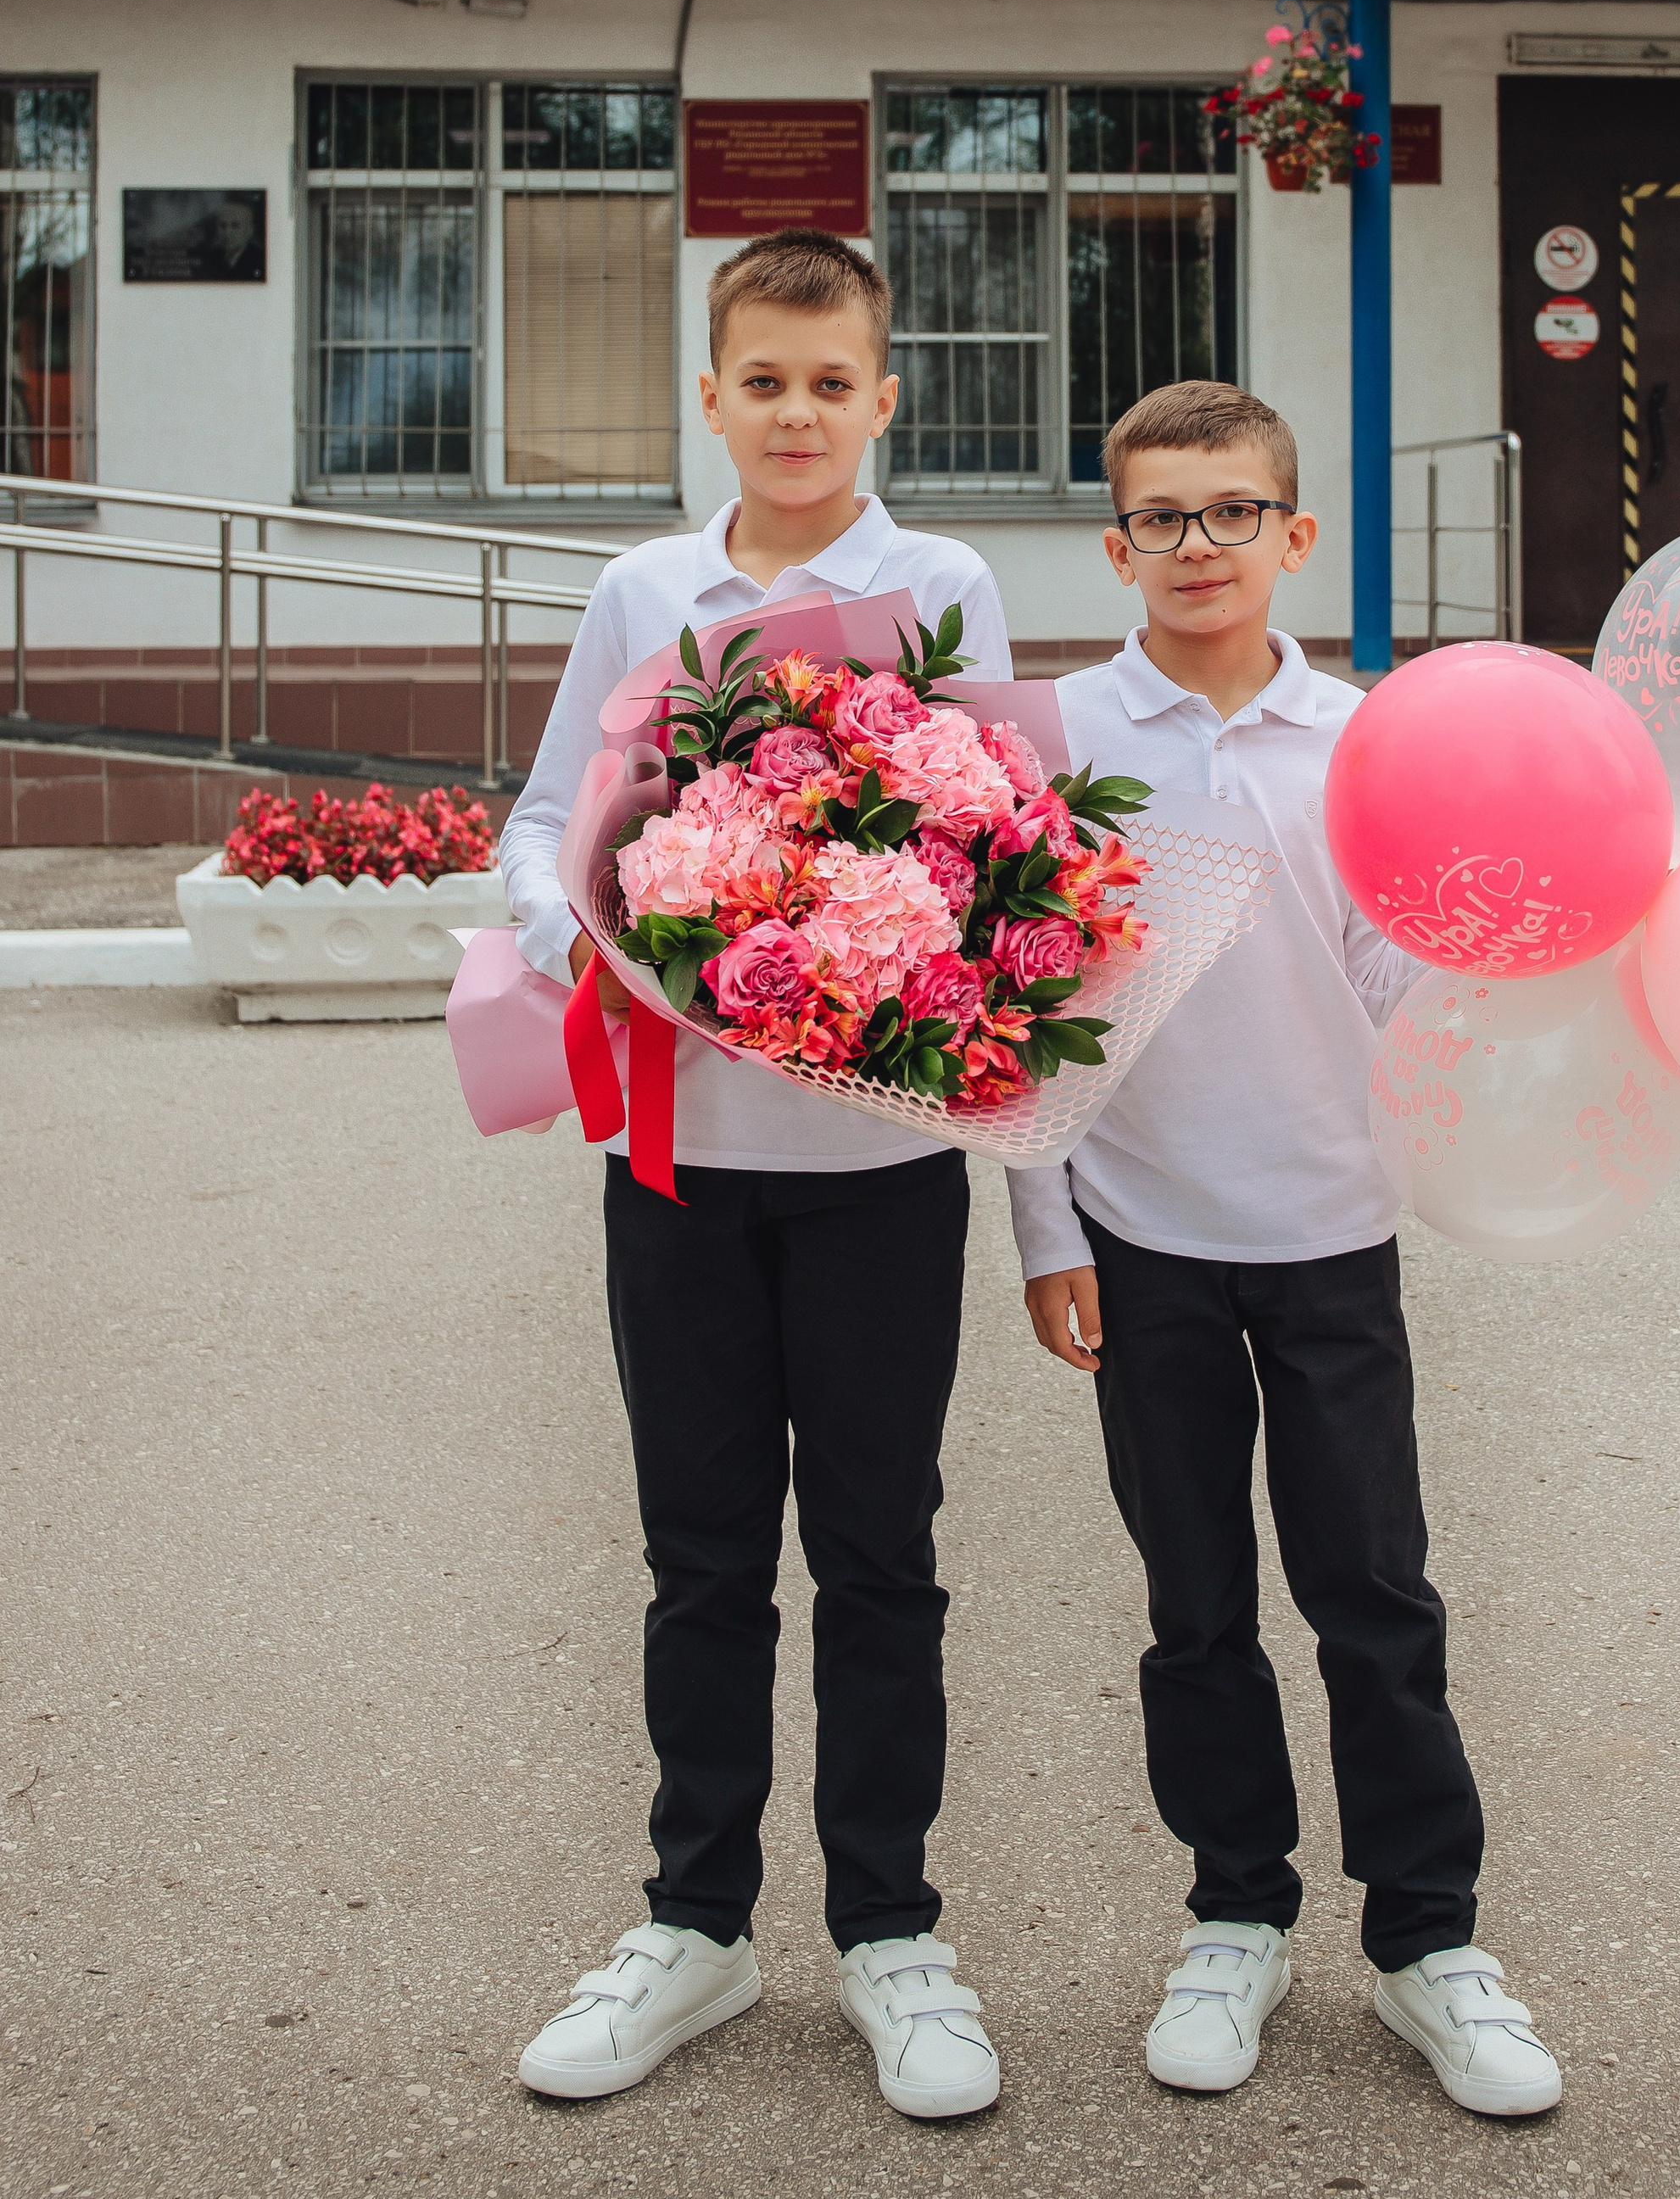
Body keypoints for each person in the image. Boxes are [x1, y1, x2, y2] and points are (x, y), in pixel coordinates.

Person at [499, 227, 1009, 2124]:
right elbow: (554, 808)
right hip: (682, 1163)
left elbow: (988, 829)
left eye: (831, 382)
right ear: (707, 398)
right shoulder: (644, 583)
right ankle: (694, 1929)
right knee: (702, 1560)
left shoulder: (938, 582)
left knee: (881, 1558)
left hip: (877, 1160)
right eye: (762, 381)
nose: (796, 414)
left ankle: (890, 1932)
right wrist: (568, 925)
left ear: (885, 397)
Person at [1008, 380, 1561, 2123]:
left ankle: (1424, 1939)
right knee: (1193, 1608)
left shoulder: (1369, 741)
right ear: (1115, 544)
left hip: (1329, 1232)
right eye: (1161, 517)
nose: (1196, 545)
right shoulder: (1054, 740)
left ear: (1292, 534)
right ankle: (1233, 1911)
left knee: (1373, 1597)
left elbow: (1406, 987)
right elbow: (1017, 1010)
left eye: (1230, 512)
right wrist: (1044, 1227)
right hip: (1137, 1232)